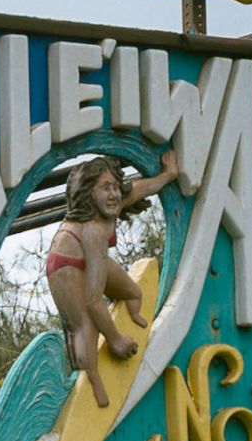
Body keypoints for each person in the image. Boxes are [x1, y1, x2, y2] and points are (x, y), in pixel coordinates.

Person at [46, 150, 179, 407]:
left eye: (116, 186)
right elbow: (94, 299)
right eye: (105, 188)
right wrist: (116, 339)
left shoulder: (111, 205)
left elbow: (140, 188)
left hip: (88, 258)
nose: (114, 194)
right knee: (85, 324)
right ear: (87, 193)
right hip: (66, 267)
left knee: (133, 291)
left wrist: (168, 175)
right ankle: (92, 383)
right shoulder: (93, 231)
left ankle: (134, 316)